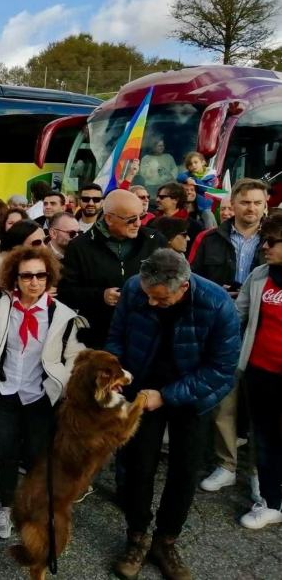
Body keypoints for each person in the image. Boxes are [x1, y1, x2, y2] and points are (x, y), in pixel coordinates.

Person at [106, 249, 240, 580]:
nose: (151, 303)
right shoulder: (136, 289)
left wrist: (166, 396)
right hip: (142, 387)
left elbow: (222, 370)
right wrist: (114, 373)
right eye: (148, 295)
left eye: (161, 299)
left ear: (183, 286)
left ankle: (166, 541)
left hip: (194, 396)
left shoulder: (218, 304)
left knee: (184, 471)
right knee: (138, 466)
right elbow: (117, 338)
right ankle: (136, 537)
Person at [0, 246, 86, 538]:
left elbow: (74, 356)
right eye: (27, 276)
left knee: (37, 455)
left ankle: (35, 509)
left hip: (40, 395)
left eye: (41, 275)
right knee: (7, 452)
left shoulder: (61, 315)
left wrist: (61, 384)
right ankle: (6, 507)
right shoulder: (1, 308)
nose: (34, 282)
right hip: (6, 390)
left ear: (49, 277)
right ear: (15, 278)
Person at [190, 178, 268, 495]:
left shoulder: (274, 239)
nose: (251, 208)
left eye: (257, 203)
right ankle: (226, 465)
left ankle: (260, 472)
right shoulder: (209, 239)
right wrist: (213, 291)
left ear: (265, 206)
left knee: (263, 405)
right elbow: (192, 279)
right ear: (232, 204)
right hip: (220, 326)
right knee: (225, 400)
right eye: (245, 202)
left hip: (264, 330)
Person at [60, 189, 166, 349]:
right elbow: (65, 292)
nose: (138, 223)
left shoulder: (154, 240)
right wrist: (100, 295)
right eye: (131, 219)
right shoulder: (80, 246)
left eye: (141, 216)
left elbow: (172, 279)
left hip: (146, 333)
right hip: (100, 336)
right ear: (109, 218)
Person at [235, 216, 282, 529]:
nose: (264, 247)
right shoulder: (259, 275)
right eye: (264, 240)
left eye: (272, 242)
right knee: (265, 438)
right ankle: (270, 501)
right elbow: (238, 312)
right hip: (260, 373)